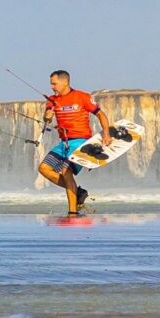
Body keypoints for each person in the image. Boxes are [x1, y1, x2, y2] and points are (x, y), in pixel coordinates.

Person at [36, 69, 106, 215]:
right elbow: (47, 119)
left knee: (66, 171)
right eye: (51, 84)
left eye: (54, 84)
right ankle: (78, 192)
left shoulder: (82, 97)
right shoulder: (52, 100)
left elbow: (100, 114)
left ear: (65, 82)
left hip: (81, 142)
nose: (52, 87)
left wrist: (106, 133)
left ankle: (72, 212)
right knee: (43, 168)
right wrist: (47, 116)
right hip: (65, 143)